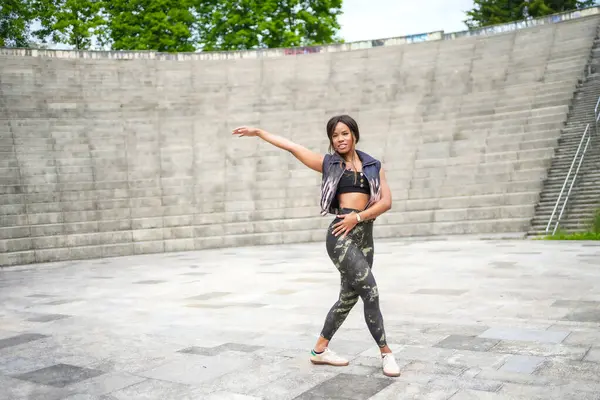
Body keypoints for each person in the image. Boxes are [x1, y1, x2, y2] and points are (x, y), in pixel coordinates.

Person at [232, 115, 401, 378]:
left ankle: (320, 350)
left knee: (348, 298)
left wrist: (358, 217)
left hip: (364, 236)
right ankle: (386, 352)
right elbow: (292, 147)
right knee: (370, 292)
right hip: (340, 236)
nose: (340, 139)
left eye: (344, 133)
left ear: (354, 134)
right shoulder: (329, 164)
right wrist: (260, 132)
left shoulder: (373, 165)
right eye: (335, 136)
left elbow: (386, 202)